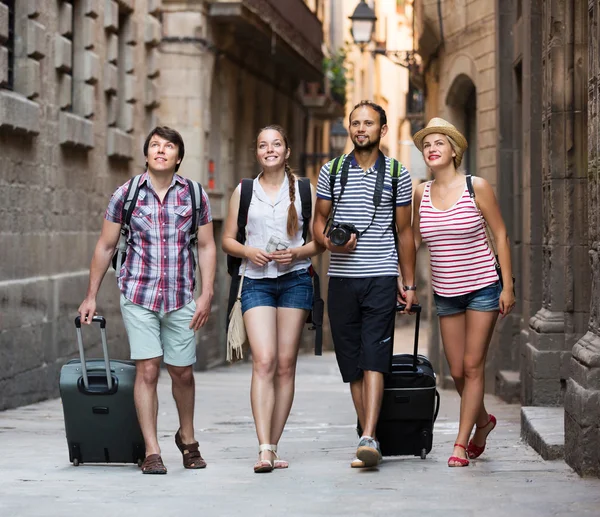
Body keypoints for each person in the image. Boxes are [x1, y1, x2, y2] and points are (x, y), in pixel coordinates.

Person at [78, 126, 217, 474]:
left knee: (182, 372)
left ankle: (186, 438)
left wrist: (207, 293)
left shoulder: (195, 196)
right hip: (138, 293)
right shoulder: (126, 194)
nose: (160, 150)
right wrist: (90, 295)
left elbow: (206, 246)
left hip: (181, 296)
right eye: (154, 145)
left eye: (168, 146)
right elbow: (106, 245)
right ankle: (152, 450)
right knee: (149, 369)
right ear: (146, 155)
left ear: (178, 157)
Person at [313, 101, 418, 468]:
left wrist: (409, 283)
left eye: (368, 123)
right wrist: (329, 242)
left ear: (382, 130)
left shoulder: (397, 174)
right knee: (353, 364)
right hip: (341, 279)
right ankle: (367, 433)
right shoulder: (332, 171)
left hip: (381, 276)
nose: (361, 129)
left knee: (375, 355)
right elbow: (319, 221)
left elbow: (405, 233)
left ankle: (370, 435)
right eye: (355, 123)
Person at [412, 118, 516, 467]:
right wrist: (406, 281)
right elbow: (413, 240)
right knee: (456, 370)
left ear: (454, 150)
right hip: (445, 293)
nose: (432, 149)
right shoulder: (420, 193)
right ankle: (483, 422)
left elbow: (500, 234)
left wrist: (508, 286)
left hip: (483, 288)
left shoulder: (477, 187)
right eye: (427, 145)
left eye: (439, 143)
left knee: (473, 367)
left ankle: (460, 444)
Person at [222, 124, 324, 473]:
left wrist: (295, 255)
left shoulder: (306, 190)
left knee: (285, 364)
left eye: (276, 144)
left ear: (287, 151)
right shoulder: (244, 190)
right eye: (263, 145)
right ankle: (263, 447)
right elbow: (227, 240)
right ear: (257, 152)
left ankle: (273, 443)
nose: (269, 150)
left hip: (295, 281)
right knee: (263, 361)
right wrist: (249, 251)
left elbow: (319, 243)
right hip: (256, 282)